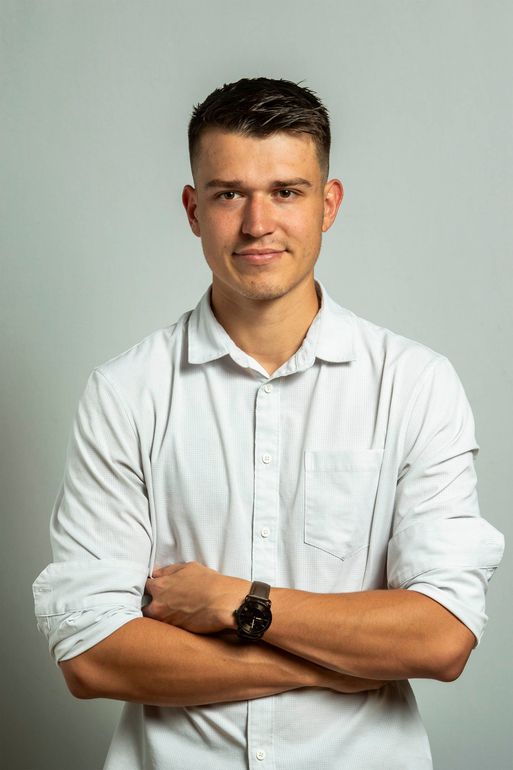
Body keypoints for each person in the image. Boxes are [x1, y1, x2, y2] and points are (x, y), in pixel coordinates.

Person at [33, 77, 504, 770]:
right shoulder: (126, 392)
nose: (258, 223)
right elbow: (92, 656)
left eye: (286, 191)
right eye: (229, 194)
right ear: (194, 210)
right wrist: (325, 666)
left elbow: (439, 639)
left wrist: (234, 601)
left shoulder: (413, 384)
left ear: (328, 204)